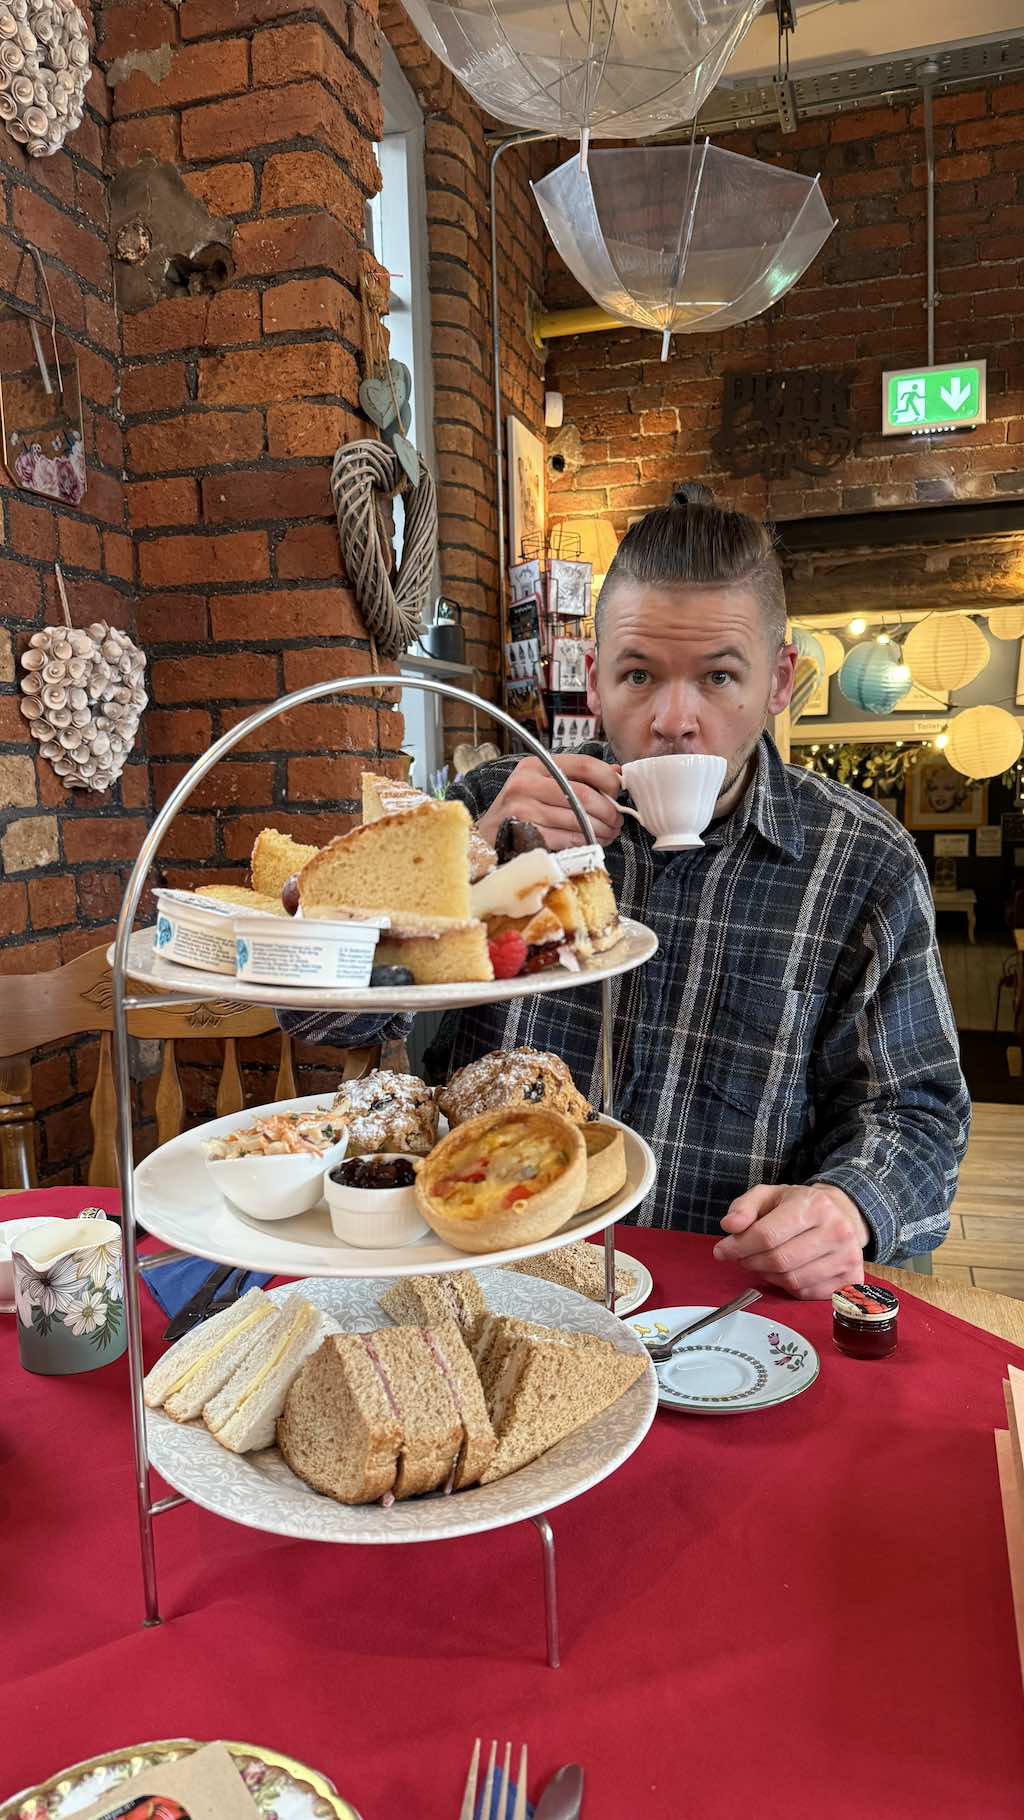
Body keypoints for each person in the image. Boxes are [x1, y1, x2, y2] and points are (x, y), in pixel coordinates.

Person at [281, 494, 970, 1301]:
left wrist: (848, 1206)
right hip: (489, 1274)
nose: (675, 721)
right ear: (595, 680)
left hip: (717, 1299)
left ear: (779, 681)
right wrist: (467, 871)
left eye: (719, 676)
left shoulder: (858, 863)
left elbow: (915, 1110)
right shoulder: (490, 811)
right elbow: (323, 1018)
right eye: (639, 675)